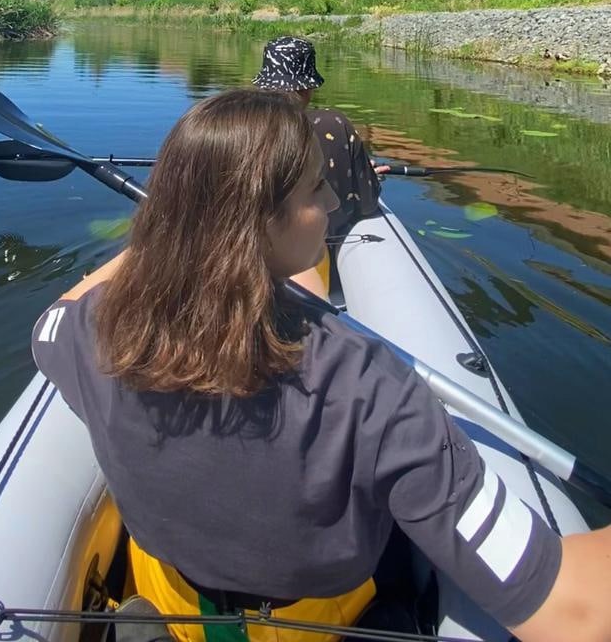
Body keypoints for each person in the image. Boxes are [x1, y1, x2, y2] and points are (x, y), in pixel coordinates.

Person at [32, 90, 611, 642]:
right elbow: (572, 614)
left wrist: (179, 230)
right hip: (319, 621)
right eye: (315, 189)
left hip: (176, 603)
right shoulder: (369, 387)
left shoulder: (90, 334)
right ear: (255, 223)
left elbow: (51, 319)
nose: (333, 203)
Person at [253, 35, 388, 295]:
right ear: (306, 88)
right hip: (322, 261)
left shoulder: (238, 128)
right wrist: (362, 172)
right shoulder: (333, 125)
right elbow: (368, 203)